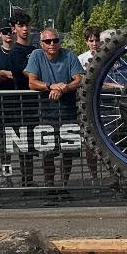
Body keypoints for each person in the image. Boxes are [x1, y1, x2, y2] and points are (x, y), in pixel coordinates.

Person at [25, 28, 84, 193]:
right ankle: (50, 186)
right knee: (48, 151)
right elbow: (32, 82)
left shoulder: (69, 55)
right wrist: (51, 86)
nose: (52, 44)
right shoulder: (37, 55)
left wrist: (63, 88)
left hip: (68, 109)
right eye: (48, 41)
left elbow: (79, 79)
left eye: (55, 40)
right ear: (41, 43)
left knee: (69, 150)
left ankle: (64, 184)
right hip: (46, 110)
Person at [0, 22, 30, 90]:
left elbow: (30, 74)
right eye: (5, 32)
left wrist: (3, 73)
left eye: (10, 31)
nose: (8, 34)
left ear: (14, 31)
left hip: (24, 92)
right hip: (2, 95)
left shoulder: (23, 51)